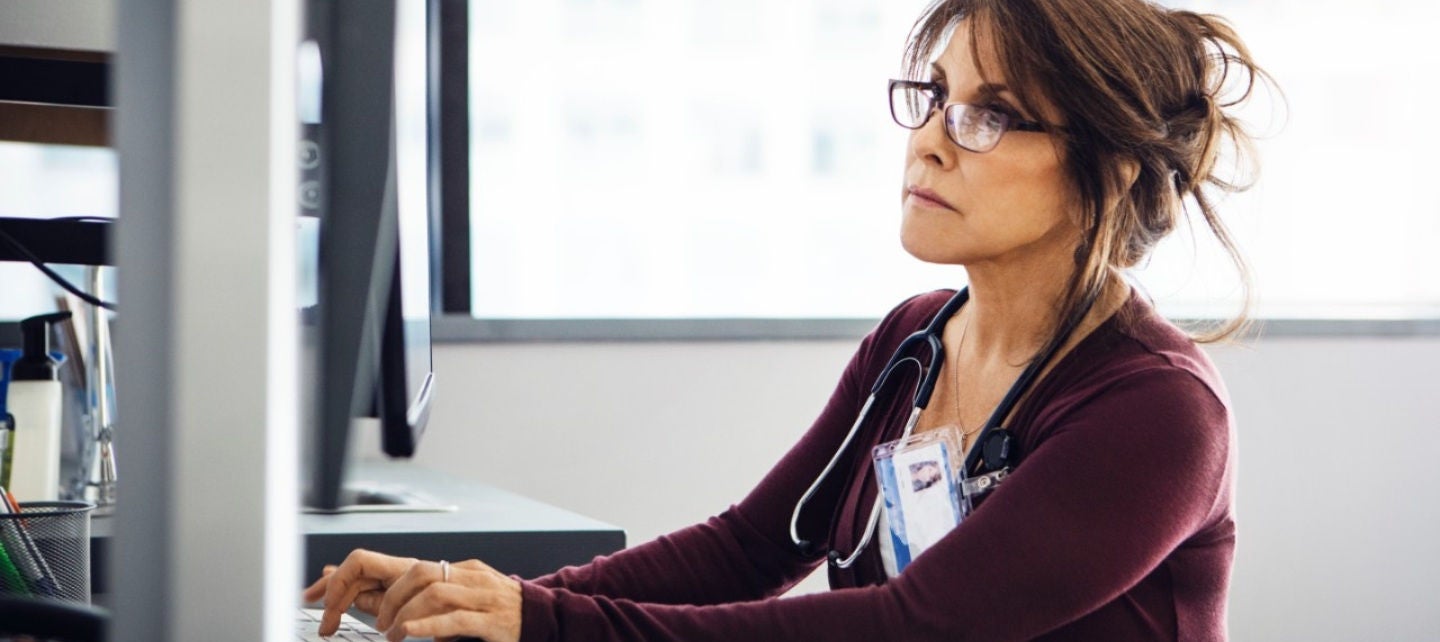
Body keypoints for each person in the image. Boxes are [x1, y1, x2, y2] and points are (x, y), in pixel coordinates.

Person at [304, 0, 1275, 639]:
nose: (929, 142)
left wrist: (540, 622)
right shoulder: (914, 340)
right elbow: (750, 549)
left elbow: (912, 627)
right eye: (933, 97)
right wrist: (473, 596)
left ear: (1106, 169)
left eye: (990, 114)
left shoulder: (1157, 413)